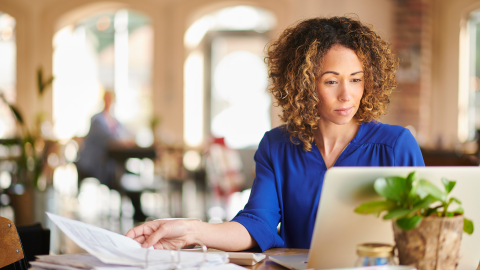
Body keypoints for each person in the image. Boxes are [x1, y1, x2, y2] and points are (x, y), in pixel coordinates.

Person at [125, 16, 424, 252]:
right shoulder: (277, 145)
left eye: (356, 80)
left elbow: (422, 232)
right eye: (331, 82)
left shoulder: (395, 146)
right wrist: (191, 230)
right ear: (305, 85)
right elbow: (258, 223)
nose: (347, 95)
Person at [76, 90, 133, 188]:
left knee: (123, 169)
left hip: (107, 159)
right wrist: (123, 141)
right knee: (115, 170)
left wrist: (130, 139)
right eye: (107, 99)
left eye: (111, 99)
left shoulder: (113, 120)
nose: (109, 102)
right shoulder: (96, 120)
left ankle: (126, 189)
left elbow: (127, 132)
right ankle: (120, 188)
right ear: (103, 99)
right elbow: (110, 137)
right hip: (93, 160)